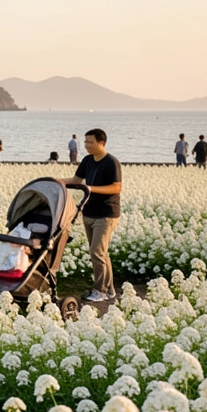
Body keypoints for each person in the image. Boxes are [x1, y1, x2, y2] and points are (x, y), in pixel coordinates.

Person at [62, 128, 122, 302]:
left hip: (106, 214)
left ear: (101, 143)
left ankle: (100, 290)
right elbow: (76, 180)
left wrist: (91, 189)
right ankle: (109, 290)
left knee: (97, 252)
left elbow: (116, 187)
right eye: (86, 142)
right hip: (89, 212)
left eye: (90, 142)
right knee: (101, 253)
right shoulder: (88, 160)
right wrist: (59, 181)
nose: (86, 146)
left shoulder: (111, 162)